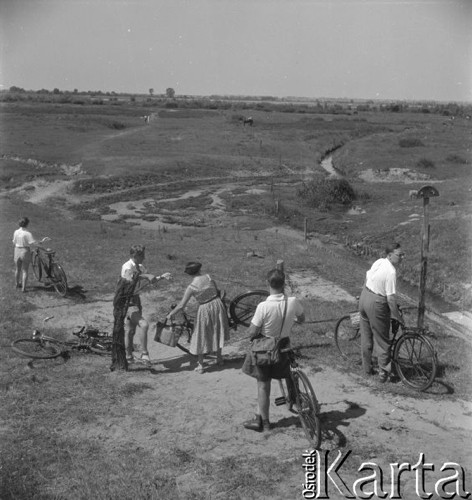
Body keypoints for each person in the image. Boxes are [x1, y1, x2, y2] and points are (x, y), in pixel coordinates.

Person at [241, 268, 305, 433]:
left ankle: (265, 422)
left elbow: (252, 332)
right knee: (289, 373)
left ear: (268, 283)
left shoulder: (263, 306)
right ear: (284, 284)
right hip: (284, 345)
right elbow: (302, 319)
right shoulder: (293, 302)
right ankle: (295, 398)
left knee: (263, 385)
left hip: (265, 348)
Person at [167, 262, 229, 373]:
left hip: (204, 309)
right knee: (217, 330)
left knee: (201, 334)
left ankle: (201, 365)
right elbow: (216, 290)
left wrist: (171, 313)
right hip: (217, 304)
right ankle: (219, 358)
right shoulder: (208, 277)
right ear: (199, 270)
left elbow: (181, 305)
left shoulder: (192, 287)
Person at [359, 242, 405, 382]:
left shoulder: (379, 262)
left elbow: (367, 276)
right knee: (382, 339)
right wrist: (398, 317)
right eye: (399, 255)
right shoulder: (391, 272)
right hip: (377, 303)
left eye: (403, 254)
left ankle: (367, 368)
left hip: (365, 296)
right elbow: (390, 299)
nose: (402, 257)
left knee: (366, 335)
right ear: (390, 255)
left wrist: (364, 293)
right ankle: (383, 374)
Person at [120, 245, 171, 364]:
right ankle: (144, 354)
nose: (144, 257)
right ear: (134, 255)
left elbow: (151, 280)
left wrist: (162, 277)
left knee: (130, 331)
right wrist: (145, 276)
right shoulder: (127, 266)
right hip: (127, 301)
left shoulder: (140, 266)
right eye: (141, 255)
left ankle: (128, 357)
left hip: (136, 300)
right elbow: (129, 278)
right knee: (143, 325)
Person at [12, 217, 50, 292]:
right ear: (27, 224)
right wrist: (45, 249)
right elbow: (34, 243)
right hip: (25, 251)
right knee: (25, 270)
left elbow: (13, 242)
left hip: (16, 250)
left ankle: (17, 284)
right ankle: (24, 288)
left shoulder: (16, 232)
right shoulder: (27, 233)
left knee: (18, 269)